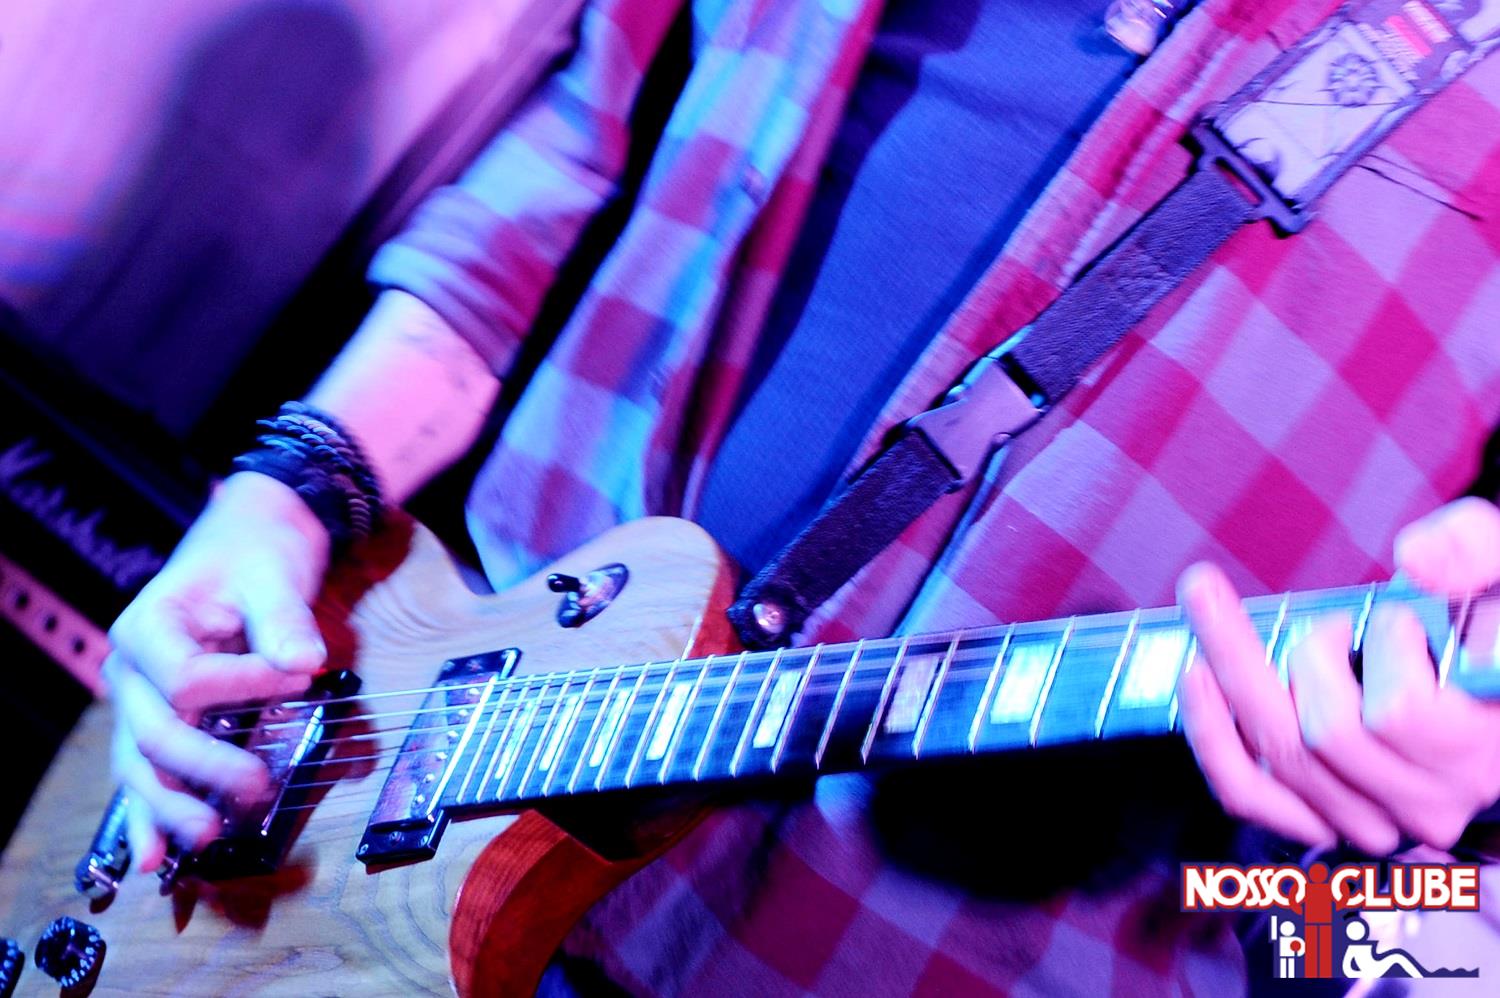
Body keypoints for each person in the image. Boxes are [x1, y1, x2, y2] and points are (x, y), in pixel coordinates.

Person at [103, 0, 1500, 992]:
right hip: (388, 782)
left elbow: (1425, 938)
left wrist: (1452, 842)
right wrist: (293, 486)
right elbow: (577, 156)